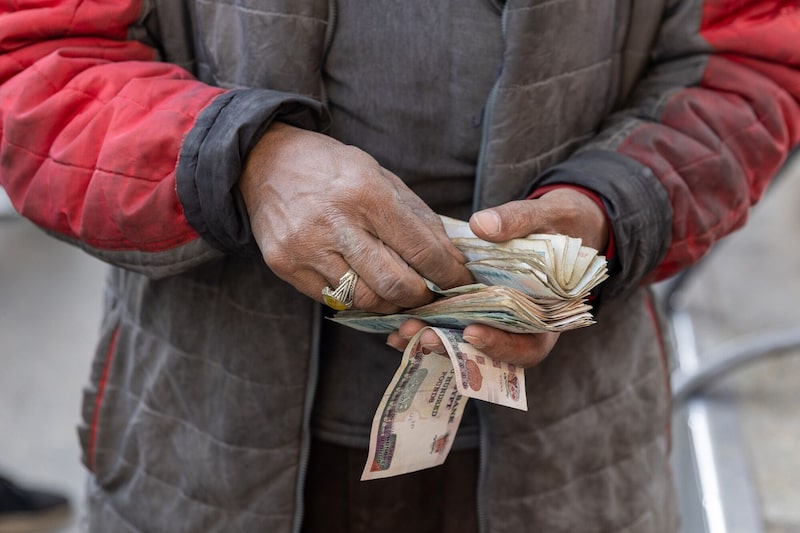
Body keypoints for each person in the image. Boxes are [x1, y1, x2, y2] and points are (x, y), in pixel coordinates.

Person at [1, 1, 798, 532]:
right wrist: (237, 158)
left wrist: (611, 207)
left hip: (572, 461)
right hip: (207, 449)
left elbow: (754, 57)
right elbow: (33, 52)